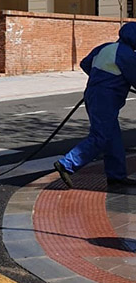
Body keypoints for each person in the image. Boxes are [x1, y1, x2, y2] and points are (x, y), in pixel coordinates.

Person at [54, 22, 136, 189]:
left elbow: (85, 63)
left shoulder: (105, 47)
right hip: (106, 98)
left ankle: (116, 176)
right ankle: (67, 163)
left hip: (93, 94)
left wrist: (99, 79)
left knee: (112, 136)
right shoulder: (126, 55)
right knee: (101, 136)